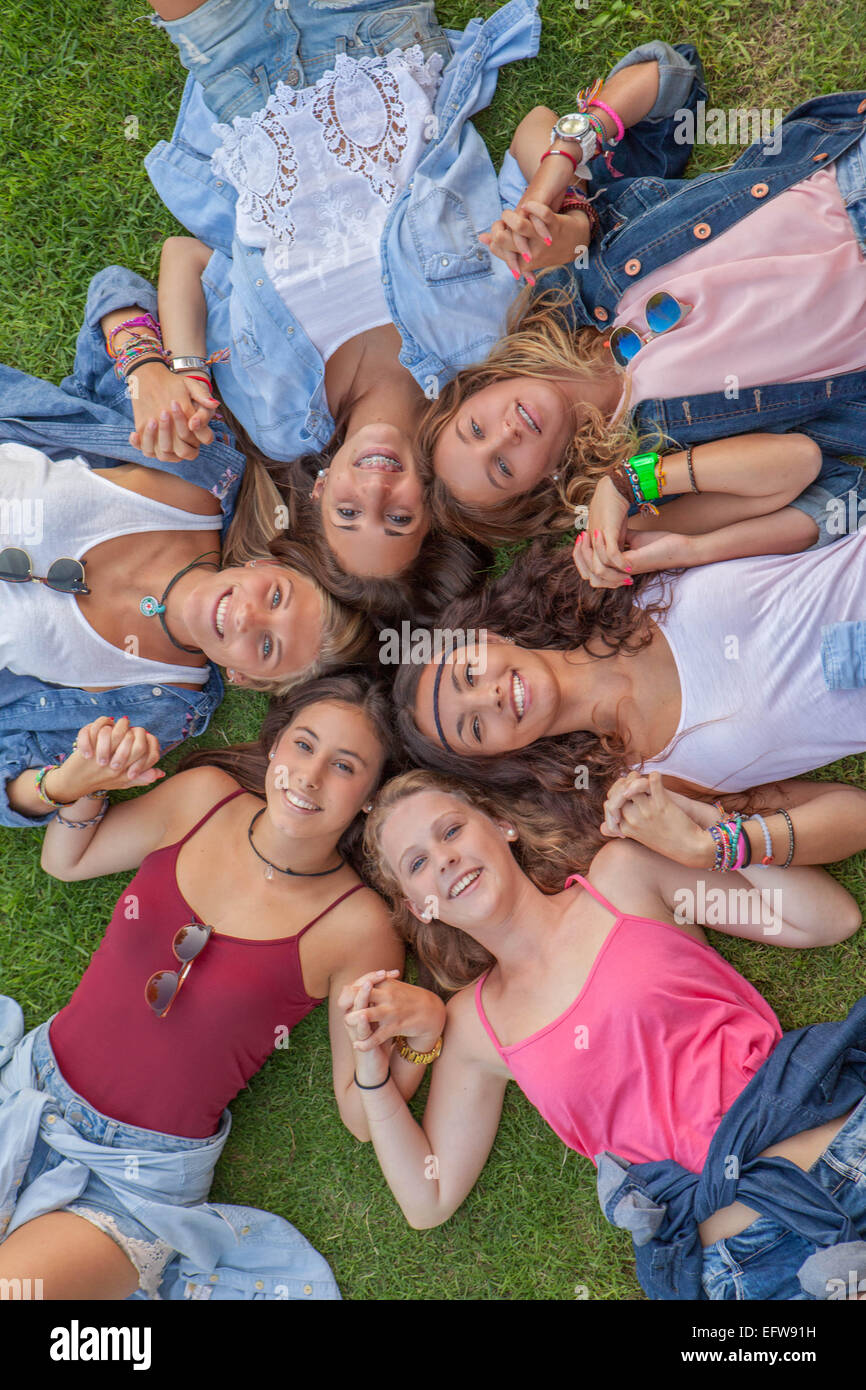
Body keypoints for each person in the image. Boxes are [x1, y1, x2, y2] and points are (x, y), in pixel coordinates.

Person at [138, 5, 694, 592]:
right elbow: (537, 139)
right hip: (374, 44)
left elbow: (187, 256)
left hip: (240, 89)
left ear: (321, 489)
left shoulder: (273, 417)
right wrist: (553, 211)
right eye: (397, 519)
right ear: (431, 504)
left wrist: (184, 370)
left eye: (348, 514)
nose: (374, 493)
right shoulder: (491, 345)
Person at [0, 675, 446, 1299]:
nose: (310, 776)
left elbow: (361, 1113)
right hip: (28, 1092)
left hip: (137, 1183)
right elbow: (67, 861)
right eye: (303, 745)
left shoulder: (357, 926)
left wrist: (424, 1035)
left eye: (344, 767)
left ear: (370, 797)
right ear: (275, 747)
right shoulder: (201, 801)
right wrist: (81, 786)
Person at [343, 770, 866, 1301]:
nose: (444, 859)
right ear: (418, 907)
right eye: (417, 864)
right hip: (751, 1272)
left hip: (848, 1152)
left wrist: (709, 834)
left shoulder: (625, 877)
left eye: (451, 831)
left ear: (502, 826)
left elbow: (827, 920)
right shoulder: (475, 1028)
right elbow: (427, 1199)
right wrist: (371, 1067)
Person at [419, 66, 866, 549]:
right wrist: (628, 490)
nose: (504, 435)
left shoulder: (568, 288)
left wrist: (553, 196)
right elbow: (809, 473)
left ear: (480, 386)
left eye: (475, 428)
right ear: (541, 486)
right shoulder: (646, 464)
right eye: (502, 468)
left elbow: (666, 74)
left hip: (846, 182)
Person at [0, 272, 371, 830]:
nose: (247, 616)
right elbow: (115, 290)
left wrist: (69, 782)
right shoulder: (197, 469)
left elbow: (10, 784)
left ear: (247, 680)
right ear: (263, 565)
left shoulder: (159, 707)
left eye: (267, 646)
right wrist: (147, 369)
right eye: (275, 595)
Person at [393, 533, 866, 859]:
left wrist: (629, 483)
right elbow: (854, 815)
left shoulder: (615, 574)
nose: (489, 698)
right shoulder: (650, 785)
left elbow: (796, 468)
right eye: (474, 727)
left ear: (489, 640)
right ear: (501, 756)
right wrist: (712, 849)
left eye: (469, 675)